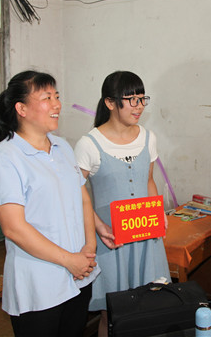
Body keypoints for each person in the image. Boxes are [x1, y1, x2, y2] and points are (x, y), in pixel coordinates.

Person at [0, 70, 99, 337]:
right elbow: (14, 228)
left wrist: (89, 248)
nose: (57, 104)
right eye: (47, 98)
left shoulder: (62, 146)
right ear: (21, 109)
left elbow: (82, 197)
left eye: (57, 96)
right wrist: (69, 260)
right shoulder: (5, 157)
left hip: (80, 274)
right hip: (40, 283)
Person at [74, 70, 171, 337]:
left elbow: (148, 181)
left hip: (146, 235)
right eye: (131, 100)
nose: (138, 106)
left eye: (142, 99)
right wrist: (97, 225)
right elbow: (75, 192)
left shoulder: (148, 138)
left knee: (149, 305)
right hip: (110, 239)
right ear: (110, 102)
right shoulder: (89, 144)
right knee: (112, 313)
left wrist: (159, 212)